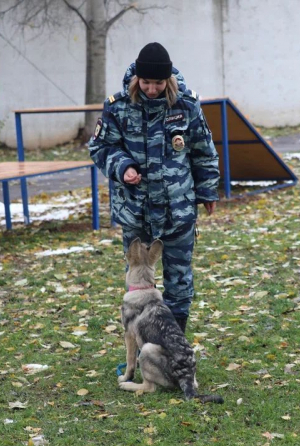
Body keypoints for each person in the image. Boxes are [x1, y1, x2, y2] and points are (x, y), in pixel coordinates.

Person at [89, 42, 219, 334]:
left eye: (158, 83)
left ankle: (173, 347)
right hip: (136, 211)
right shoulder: (118, 106)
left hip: (178, 210)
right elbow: (100, 147)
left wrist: (208, 190)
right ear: (137, 78)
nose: (151, 89)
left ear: (168, 79)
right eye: (145, 82)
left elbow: (203, 151)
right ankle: (142, 346)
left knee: (180, 280)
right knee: (138, 285)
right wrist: (123, 166)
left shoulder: (186, 104)